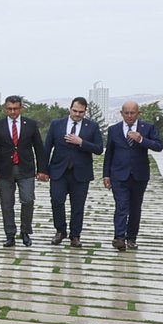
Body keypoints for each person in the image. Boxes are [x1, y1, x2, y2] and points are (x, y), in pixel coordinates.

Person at [0, 95, 48, 247]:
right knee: (7, 204)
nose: (12, 112)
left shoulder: (31, 125)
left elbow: (39, 148)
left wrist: (42, 169)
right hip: (4, 170)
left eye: (15, 109)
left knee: (28, 200)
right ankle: (10, 234)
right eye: (9, 109)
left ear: (21, 108)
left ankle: (25, 231)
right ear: (5, 109)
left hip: (26, 169)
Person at [103, 100, 163, 251]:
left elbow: (158, 146)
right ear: (121, 113)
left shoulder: (147, 128)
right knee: (121, 206)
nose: (129, 116)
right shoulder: (114, 130)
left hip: (139, 175)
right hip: (119, 175)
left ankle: (131, 238)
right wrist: (106, 175)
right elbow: (109, 153)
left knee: (135, 207)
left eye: (132, 113)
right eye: (126, 113)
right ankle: (119, 237)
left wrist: (141, 139)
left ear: (138, 113)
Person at [44, 96, 103, 248]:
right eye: (75, 111)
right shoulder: (57, 124)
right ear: (70, 109)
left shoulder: (92, 126)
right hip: (59, 171)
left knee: (78, 206)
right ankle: (60, 230)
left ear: (85, 111)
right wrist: (42, 170)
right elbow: (47, 147)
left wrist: (81, 142)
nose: (77, 114)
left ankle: (75, 235)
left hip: (81, 172)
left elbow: (99, 149)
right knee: (57, 200)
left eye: (81, 112)